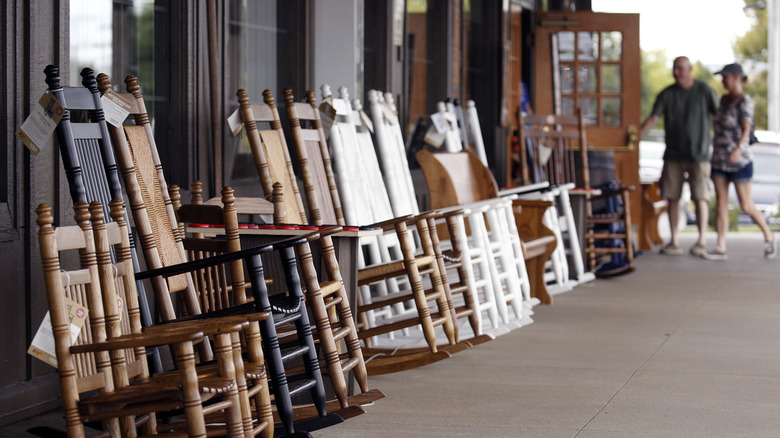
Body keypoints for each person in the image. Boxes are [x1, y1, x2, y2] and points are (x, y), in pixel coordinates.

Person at [639, 56, 719, 256]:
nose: (677, 72)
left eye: (681, 68)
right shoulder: (667, 94)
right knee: (672, 197)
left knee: (700, 197)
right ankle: (674, 241)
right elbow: (653, 118)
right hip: (673, 154)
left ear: (689, 69)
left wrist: (721, 143)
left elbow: (719, 118)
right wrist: (635, 138)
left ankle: (701, 240)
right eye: (674, 68)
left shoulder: (704, 90)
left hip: (698, 154)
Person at [702, 63, 776, 260]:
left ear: (735, 77)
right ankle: (720, 246)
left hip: (739, 161)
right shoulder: (724, 100)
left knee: (746, 205)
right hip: (719, 158)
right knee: (721, 204)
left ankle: (769, 236)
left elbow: (746, 129)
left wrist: (737, 150)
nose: (723, 81)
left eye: (725, 77)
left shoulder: (745, 101)